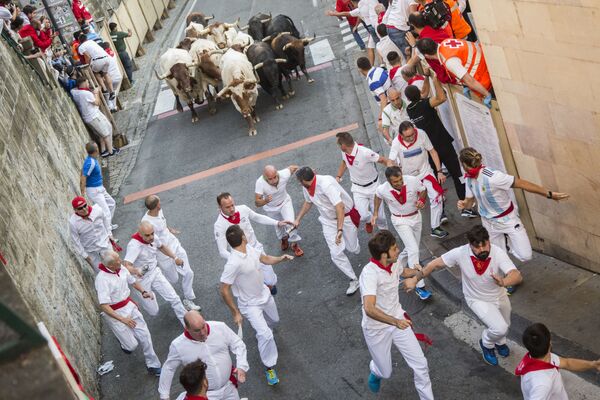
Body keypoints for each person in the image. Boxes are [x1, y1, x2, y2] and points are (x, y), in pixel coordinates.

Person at [403, 225, 523, 366]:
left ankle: (500, 343)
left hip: (499, 295)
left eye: (484, 244)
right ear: (470, 245)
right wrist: (415, 279)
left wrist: (504, 281)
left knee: (505, 325)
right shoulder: (460, 253)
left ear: (488, 240)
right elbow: (434, 265)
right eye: (477, 247)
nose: (482, 249)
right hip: (477, 299)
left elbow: (517, 275)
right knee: (500, 328)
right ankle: (487, 344)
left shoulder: (498, 252)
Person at [458, 147, 570, 264]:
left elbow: (522, 184)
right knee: (496, 258)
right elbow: (469, 201)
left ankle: (508, 243)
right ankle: (506, 277)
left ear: (465, 165)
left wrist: (549, 194)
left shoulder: (493, 177)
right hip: (488, 223)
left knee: (526, 255)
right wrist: (464, 204)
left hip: (507, 220)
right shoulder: (469, 179)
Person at [359, 230, 434, 397]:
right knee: (385, 372)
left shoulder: (394, 262)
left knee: (421, 364)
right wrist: (394, 322)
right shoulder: (369, 273)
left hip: (398, 320)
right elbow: (369, 308)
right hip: (377, 328)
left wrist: (416, 273)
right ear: (384, 255)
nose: (398, 250)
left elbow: (402, 271)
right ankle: (375, 370)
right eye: (394, 248)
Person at [220, 225, 293, 386]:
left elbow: (264, 259)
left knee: (274, 321)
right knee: (266, 334)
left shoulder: (250, 249)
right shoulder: (233, 263)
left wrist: (281, 259)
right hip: (249, 305)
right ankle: (269, 367)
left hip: (265, 297)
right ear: (244, 237)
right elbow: (224, 289)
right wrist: (235, 312)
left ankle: (263, 333)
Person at [405, 71, 472, 217]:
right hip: (444, 145)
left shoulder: (410, 110)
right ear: (418, 95)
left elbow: (423, 93)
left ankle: (440, 213)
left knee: (435, 183)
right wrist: (436, 78)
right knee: (457, 174)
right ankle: (464, 205)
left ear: (408, 99)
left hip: (430, 151)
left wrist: (427, 78)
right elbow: (441, 97)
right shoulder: (425, 104)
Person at [294, 167, 361, 295]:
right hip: (328, 221)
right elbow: (308, 202)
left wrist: (340, 229)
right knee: (335, 253)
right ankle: (353, 279)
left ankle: (354, 244)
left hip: (345, 218)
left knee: (352, 248)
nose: (299, 184)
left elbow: (340, 206)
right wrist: (298, 219)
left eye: (299, 181)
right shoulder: (306, 187)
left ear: (303, 180)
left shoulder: (326, 184)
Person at [95, 251, 161, 376]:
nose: (121, 261)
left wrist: (143, 291)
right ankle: (124, 344)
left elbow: (133, 281)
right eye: (117, 262)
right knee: (132, 346)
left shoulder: (121, 268)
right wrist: (123, 319)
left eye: (119, 259)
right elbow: (104, 306)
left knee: (145, 336)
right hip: (115, 314)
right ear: (110, 266)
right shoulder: (102, 280)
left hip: (130, 307)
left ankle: (153, 365)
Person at [159, 310, 249, 400]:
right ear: (187, 328)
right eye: (197, 330)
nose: (202, 333)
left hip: (229, 387)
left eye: (203, 326)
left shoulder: (220, 327)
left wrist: (241, 366)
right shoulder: (178, 345)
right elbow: (169, 368)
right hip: (207, 395)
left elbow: (238, 344)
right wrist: (164, 396)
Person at [214, 192, 292, 295]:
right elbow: (222, 251)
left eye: (232, 205)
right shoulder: (219, 225)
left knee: (271, 282)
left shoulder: (243, 209)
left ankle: (267, 286)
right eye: (227, 207)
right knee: (253, 287)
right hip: (242, 257)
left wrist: (277, 223)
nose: (232, 209)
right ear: (220, 207)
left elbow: (258, 217)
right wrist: (237, 258)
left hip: (256, 248)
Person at [372, 166, 432, 299]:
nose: (399, 183)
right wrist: (375, 213)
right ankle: (419, 286)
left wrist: (422, 200)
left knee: (411, 248)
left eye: (400, 179)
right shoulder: (383, 189)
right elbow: (377, 196)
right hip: (400, 220)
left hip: (416, 217)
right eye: (395, 182)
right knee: (414, 250)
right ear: (388, 181)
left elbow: (423, 190)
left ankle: (396, 270)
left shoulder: (412, 180)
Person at [388, 121, 448, 238]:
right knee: (411, 206)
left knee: (437, 196)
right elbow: (390, 161)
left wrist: (439, 171)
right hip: (409, 179)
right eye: (408, 136)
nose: (411, 138)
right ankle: (410, 231)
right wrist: (394, 176)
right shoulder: (396, 143)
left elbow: (432, 151)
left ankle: (435, 227)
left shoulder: (421, 134)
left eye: (412, 135)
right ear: (401, 135)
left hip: (425, 173)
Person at [142, 195, 200, 311]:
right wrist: (174, 258)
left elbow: (163, 224)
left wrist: (169, 229)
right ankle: (159, 278)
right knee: (174, 279)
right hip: (164, 255)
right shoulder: (146, 223)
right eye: (159, 202)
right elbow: (156, 244)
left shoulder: (159, 211)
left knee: (188, 273)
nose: (161, 204)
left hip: (175, 245)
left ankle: (188, 299)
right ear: (157, 205)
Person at [124, 221, 187, 325]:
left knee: (174, 298)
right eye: (147, 235)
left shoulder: (154, 238)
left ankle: (187, 324)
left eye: (152, 233)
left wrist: (175, 257)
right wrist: (136, 270)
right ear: (140, 234)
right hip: (141, 280)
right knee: (154, 312)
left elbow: (161, 247)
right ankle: (150, 293)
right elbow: (126, 265)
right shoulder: (134, 246)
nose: (151, 237)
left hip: (155, 272)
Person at [516, 323, 600, 400]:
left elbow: (568, 363)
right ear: (550, 343)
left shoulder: (539, 358)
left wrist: (593, 364)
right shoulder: (542, 384)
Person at [335, 131, 389, 233]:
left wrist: (394, 172)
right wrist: (338, 176)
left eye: (338, 144)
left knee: (380, 217)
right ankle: (369, 220)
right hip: (358, 189)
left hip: (374, 188)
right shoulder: (344, 152)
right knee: (362, 215)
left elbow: (383, 160)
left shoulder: (365, 152)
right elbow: (344, 162)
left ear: (343, 146)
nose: (338, 146)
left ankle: (385, 234)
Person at [416, 37, 493, 107]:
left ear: (427, 56)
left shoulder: (449, 61)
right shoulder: (446, 42)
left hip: (487, 77)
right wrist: (465, 85)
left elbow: (470, 80)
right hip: (487, 61)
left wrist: (486, 94)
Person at [254, 165, 304, 257]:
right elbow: (257, 203)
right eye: (270, 179)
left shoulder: (283, 174)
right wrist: (265, 201)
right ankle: (283, 239)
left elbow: (294, 168)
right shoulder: (259, 183)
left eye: (275, 177)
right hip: (271, 208)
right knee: (278, 226)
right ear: (265, 178)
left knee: (291, 223)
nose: (274, 181)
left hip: (285, 202)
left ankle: (294, 244)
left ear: (277, 173)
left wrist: (308, 172)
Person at [71, 79, 119, 157]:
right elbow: (97, 103)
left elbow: (73, 90)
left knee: (104, 132)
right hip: (93, 116)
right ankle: (110, 151)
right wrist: (96, 93)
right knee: (105, 134)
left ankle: (104, 150)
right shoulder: (86, 94)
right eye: (87, 82)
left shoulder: (74, 92)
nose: (88, 83)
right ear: (83, 83)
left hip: (91, 116)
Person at [80, 142, 119, 237]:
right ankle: (109, 236)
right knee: (105, 212)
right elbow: (83, 176)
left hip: (100, 188)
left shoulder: (92, 159)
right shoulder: (91, 163)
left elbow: (81, 172)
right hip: (95, 191)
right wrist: (82, 193)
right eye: (97, 147)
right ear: (96, 151)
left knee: (112, 203)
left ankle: (108, 225)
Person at [406, 11, 455, 85]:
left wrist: (413, 46)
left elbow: (409, 65)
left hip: (449, 74)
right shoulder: (438, 30)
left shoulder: (424, 43)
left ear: (412, 25)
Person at [327, 0, 380, 65]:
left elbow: (346, 13)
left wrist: (335, 14)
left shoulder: (341, 2)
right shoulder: (363, 5)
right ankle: (377, 64)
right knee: (372, 46)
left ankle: (363, 48)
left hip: (362, 23)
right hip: (371, 23)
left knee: (376, 45)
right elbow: (358, 16)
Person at [69, 196, 111, 271]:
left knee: (114, 265)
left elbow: (106, 221)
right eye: (80, 208)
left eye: (85, 205)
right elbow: (75, 240)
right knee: (101, 272)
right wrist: (85, 255)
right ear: (75, 210)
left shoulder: (98, 210)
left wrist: (109, 234)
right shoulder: (73, 222)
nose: (84, 209)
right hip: (91, 251)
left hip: (104, 243)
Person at [77, 33, 116, 102]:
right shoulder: (91, 41)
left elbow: (88, 57)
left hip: (98, 60)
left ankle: (105, 89)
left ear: (79, 41)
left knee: (95, 73)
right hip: (107, 58)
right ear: (86, 38)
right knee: (105, 74)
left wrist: (88, 65)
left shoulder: (81, 47)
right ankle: (112, 92)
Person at [356, 56, 390, 122]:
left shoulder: (373, 82)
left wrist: (381, 117)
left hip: (389, 107)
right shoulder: (379, 69)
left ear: (360, 69)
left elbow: (383, 99)